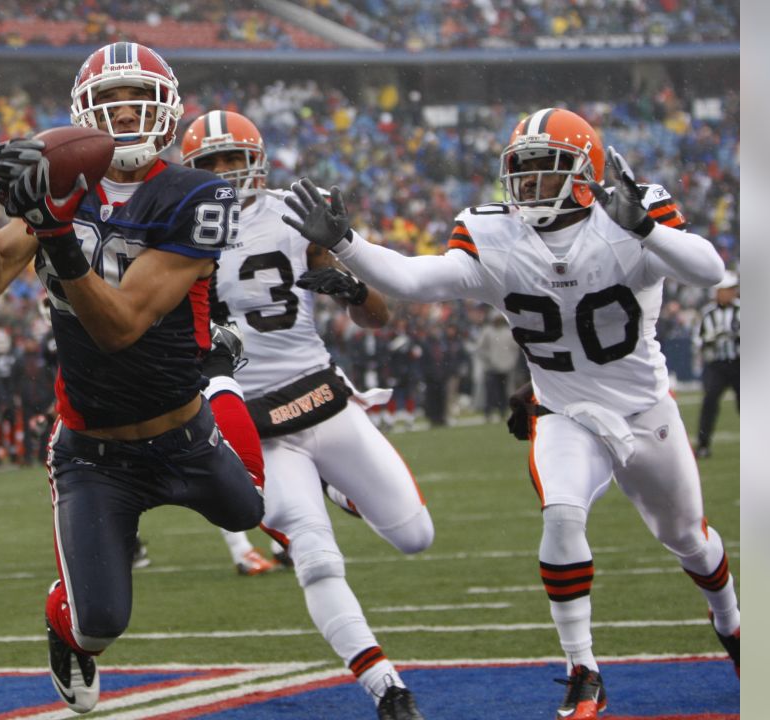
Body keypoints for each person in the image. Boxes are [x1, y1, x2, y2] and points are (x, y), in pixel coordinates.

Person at [283, 108, 738, 719]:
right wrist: (347, 243)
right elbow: (417, 280)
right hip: (563, 408)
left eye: (544, 171)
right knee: (560, 514)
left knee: (689, 539)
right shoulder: (495, 234)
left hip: (643, 409)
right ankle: (583, 669)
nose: (528, 185)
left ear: (583, 174)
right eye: (520, 170)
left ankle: (731, 623)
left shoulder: (627, 215)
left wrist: (649, 230)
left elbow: (709, 271)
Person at [0, 42, 264, 715]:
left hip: (184, 429)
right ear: (83, 115)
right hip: (93, 449)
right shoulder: (69, 187)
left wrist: (58, 232)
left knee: (251, 511)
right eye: (110, 106)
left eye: (138, 104)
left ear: (166, 111)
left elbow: (122, 324)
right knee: (99, 622)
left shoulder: (201, 193)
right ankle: (64, 623)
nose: (124, 118)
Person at [182, 109, 432, 720]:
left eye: (230, 159)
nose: (221, 173)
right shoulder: (176, 231)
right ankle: (387, 688)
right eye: (208, 163)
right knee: (316, 560)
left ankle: (339, 491)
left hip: (321, 396)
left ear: (258, 160)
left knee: (415, 537)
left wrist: (346, 283)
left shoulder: (297, 212)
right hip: (256, 425)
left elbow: (380, 314)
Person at [693, 271, 740, 458]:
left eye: (731, 289)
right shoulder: (707, 314)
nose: (729, 293)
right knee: (709, 402)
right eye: (725, 290)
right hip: (717, 365)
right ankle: (703, 445)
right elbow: (697, 341)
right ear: (717, 292)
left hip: (739, 363)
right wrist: (711, 339)